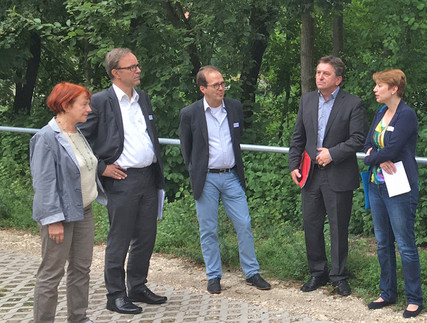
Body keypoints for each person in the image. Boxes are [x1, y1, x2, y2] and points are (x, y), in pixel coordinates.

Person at [78, 48, 167, 314]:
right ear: (116, 73)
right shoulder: (101, 101)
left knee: (146, 237)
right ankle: (115, 295)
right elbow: (79, 138)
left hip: (148, 177)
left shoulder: (143, 99)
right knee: (120, 238)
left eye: (138, 65)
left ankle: (137, 286)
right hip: (122, 180)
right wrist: (101, 167)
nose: (138, 70)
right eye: (132, 67)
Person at [179, 66, 271, 294]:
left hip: (231, 176)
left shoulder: (234, 107)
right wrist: (195, 171)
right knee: (208, 228)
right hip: (206, 178)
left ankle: (251, 272)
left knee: (244, 223)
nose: (221, 88)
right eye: (216, 85)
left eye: (222, 84)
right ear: (203, 89)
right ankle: (213, 275)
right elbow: (186, 149)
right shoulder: (190, 113)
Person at [288, 56, 367, 296]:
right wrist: (293, 165)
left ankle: (339, 276)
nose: (320, 77)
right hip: (310, 174)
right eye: (318, 72)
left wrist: (332, 154)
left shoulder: (353, 104)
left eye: (326, 73)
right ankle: (317, 273)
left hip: (338, 174)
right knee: (311, 225)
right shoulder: (307, 100)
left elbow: (358, 139)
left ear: (338, 79)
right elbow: (298, 137)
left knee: (338, 227)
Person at [30, 82, 104, 323]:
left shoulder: (77, 132)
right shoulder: (46, 138)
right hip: (60, 216)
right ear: (65, 105)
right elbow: (44, 183)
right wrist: (53, 220)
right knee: (51, 273)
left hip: (84, 211)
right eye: (84, 104)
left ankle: (78, 318)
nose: (89, 109)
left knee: (81, 269)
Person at [362, 69, 423, 318]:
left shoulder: (406, 115)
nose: (375, 89)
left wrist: (373, 158)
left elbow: (394, 149)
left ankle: (415, 298)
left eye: (379, 85)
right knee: (383, 242)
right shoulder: (380, 113)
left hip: (399, 187)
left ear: (394, 89)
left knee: (405, 244)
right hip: (377, 185)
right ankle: (387, 292)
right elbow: (367, 143)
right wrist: (375, 156)